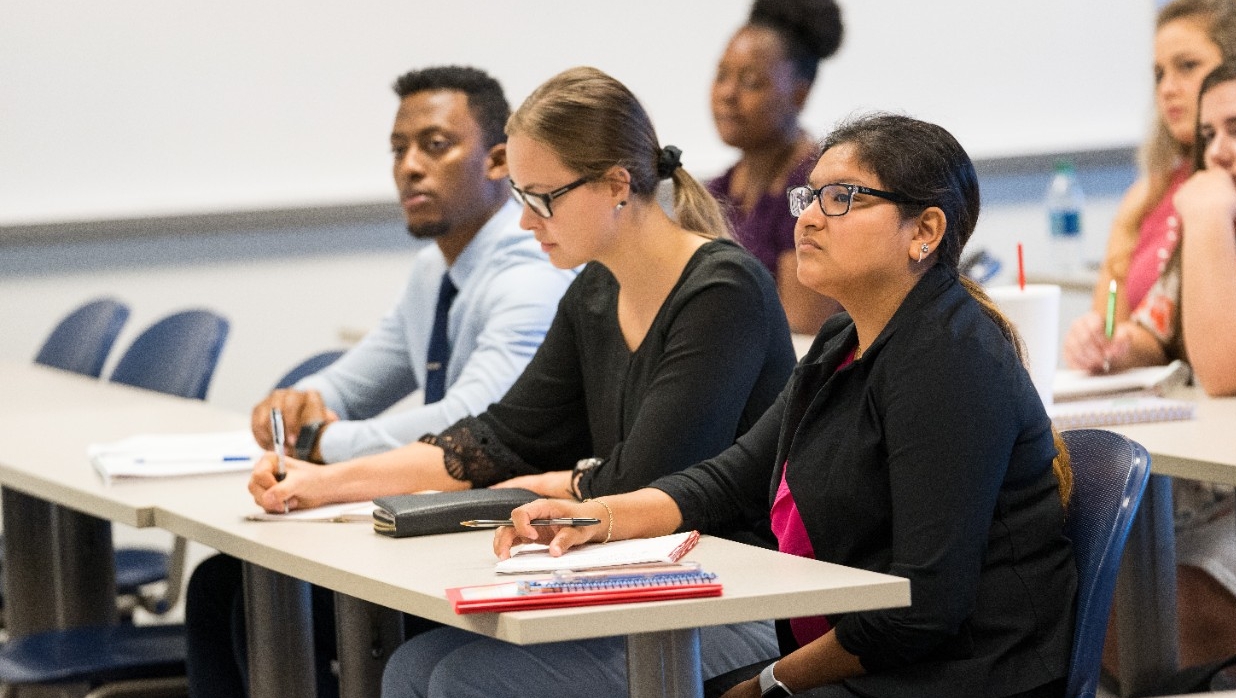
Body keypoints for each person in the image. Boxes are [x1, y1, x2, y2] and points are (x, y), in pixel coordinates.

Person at [386, 114, 1079, 698]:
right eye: (810, 196)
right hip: (862, 656)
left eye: (842, 198)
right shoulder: (846, 337)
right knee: (418, 666)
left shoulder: (950, 360)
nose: (808, 218)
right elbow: (731, 478)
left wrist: (768, 682)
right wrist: (593, 518)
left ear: (924, 230)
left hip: (955, 678)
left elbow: (924, 609)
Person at [250, 65, 796, 522]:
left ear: (616, 185)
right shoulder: (595, 289)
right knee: (430, 655)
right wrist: (323, 483)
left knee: (440, 657)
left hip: (726, 589)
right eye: (520, 196)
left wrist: (558, 482)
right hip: (628, 572)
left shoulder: (723, 291)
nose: (524, 222)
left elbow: (645, 482)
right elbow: (499, 437)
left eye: (542, 198)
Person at [186, 65, 573, 698]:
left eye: (435, 144)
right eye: (399, 150)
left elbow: (474, 415)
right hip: (429, 512)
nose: (410, 167)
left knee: (246, 595)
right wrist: (305, 402)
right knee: (222, 585)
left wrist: (323, 447)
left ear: (499, 159)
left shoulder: (530, 269)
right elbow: (359, 377)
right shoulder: (435, 269)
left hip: (497, 525)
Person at [1067, 45, 1236, 674]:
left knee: (1115, 619)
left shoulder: (1211, 221)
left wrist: (1206, 213)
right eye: (1211, 134)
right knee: (1060, 585)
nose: (1217, 153)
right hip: (1216, 504)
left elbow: (1234, 369)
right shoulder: (1228, 242)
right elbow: (1152, 332)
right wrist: (1110, 346)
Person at [1066, 0, 1236, 346]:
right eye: (1159, 74)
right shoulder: (1151, 193)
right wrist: (1102, 343)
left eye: (1187, 66)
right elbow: (1120, 328)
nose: (1167, 88)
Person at [706, 0, 844, 335]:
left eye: (751, 82)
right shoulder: (716, 190)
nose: (727, 94)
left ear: (799, 94)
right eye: (722, 75)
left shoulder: (816, 192)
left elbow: (803, 330)